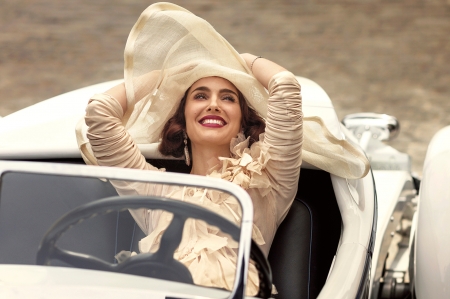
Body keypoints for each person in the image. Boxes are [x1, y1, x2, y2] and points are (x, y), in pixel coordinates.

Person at [76, 2, 369, 296]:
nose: (213, 103)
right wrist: (170, 74)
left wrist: (237, 61)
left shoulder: (268, 181)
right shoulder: (156, 192)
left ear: (243, 122)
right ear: (183, 120)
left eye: (228, 98)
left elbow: (284, 86)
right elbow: (100, 113)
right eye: (200, 96)